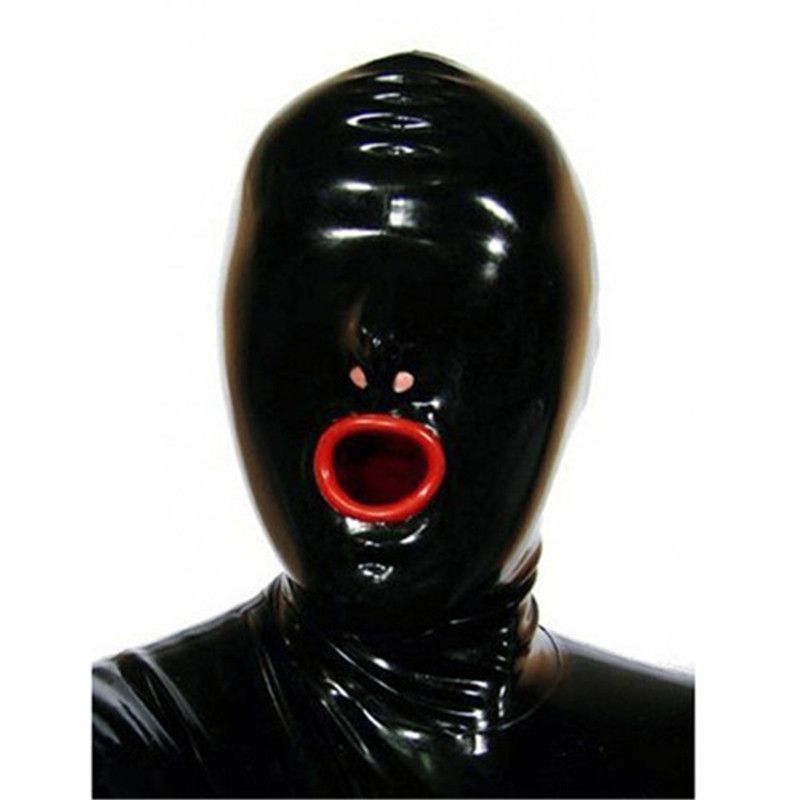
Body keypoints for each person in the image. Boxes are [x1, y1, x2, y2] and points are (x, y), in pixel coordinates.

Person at [93, 52, 693, 798]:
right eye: (311, 299)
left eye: (456, 300)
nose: (378, 349)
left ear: (567, 373)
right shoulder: (114, 746)